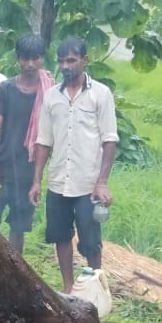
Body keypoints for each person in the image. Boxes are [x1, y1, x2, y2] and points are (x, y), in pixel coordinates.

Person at [28, 37, 118, 293]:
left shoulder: (100, 94)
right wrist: (37, 181)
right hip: (58, 182)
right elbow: (43, 141)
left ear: (84, 60)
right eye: (61, 61)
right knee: (61, 237)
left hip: (88, 184)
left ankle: (96, 289)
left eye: (71, 60)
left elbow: (109, 139)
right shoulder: (51, 97)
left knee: (91, 242)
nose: (65, 66)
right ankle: (68, 289)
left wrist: (102, 182)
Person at [0, 33, 53, 255]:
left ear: (42, 58)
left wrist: (37, 180)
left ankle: (16, 271)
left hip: (27, 172)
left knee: (18, 229)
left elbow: (49, 137)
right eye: (25, 58)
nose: (30, 64)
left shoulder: (50, 93)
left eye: (35, 58)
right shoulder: (6, 89)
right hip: (2, 168)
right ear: (18, 59)